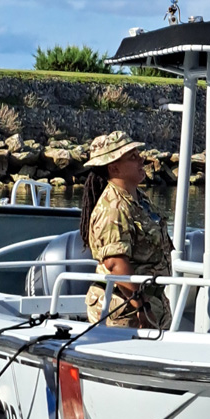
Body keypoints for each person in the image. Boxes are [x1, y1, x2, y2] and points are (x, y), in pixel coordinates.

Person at [79, 131, 173, 329]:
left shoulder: (138, 199)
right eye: (132, 157)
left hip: (149, 302)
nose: (141, 160)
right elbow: (115, 264)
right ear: (114, 167)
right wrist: (141, 306)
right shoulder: (113, 208)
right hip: (124, 310)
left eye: (138, 154)